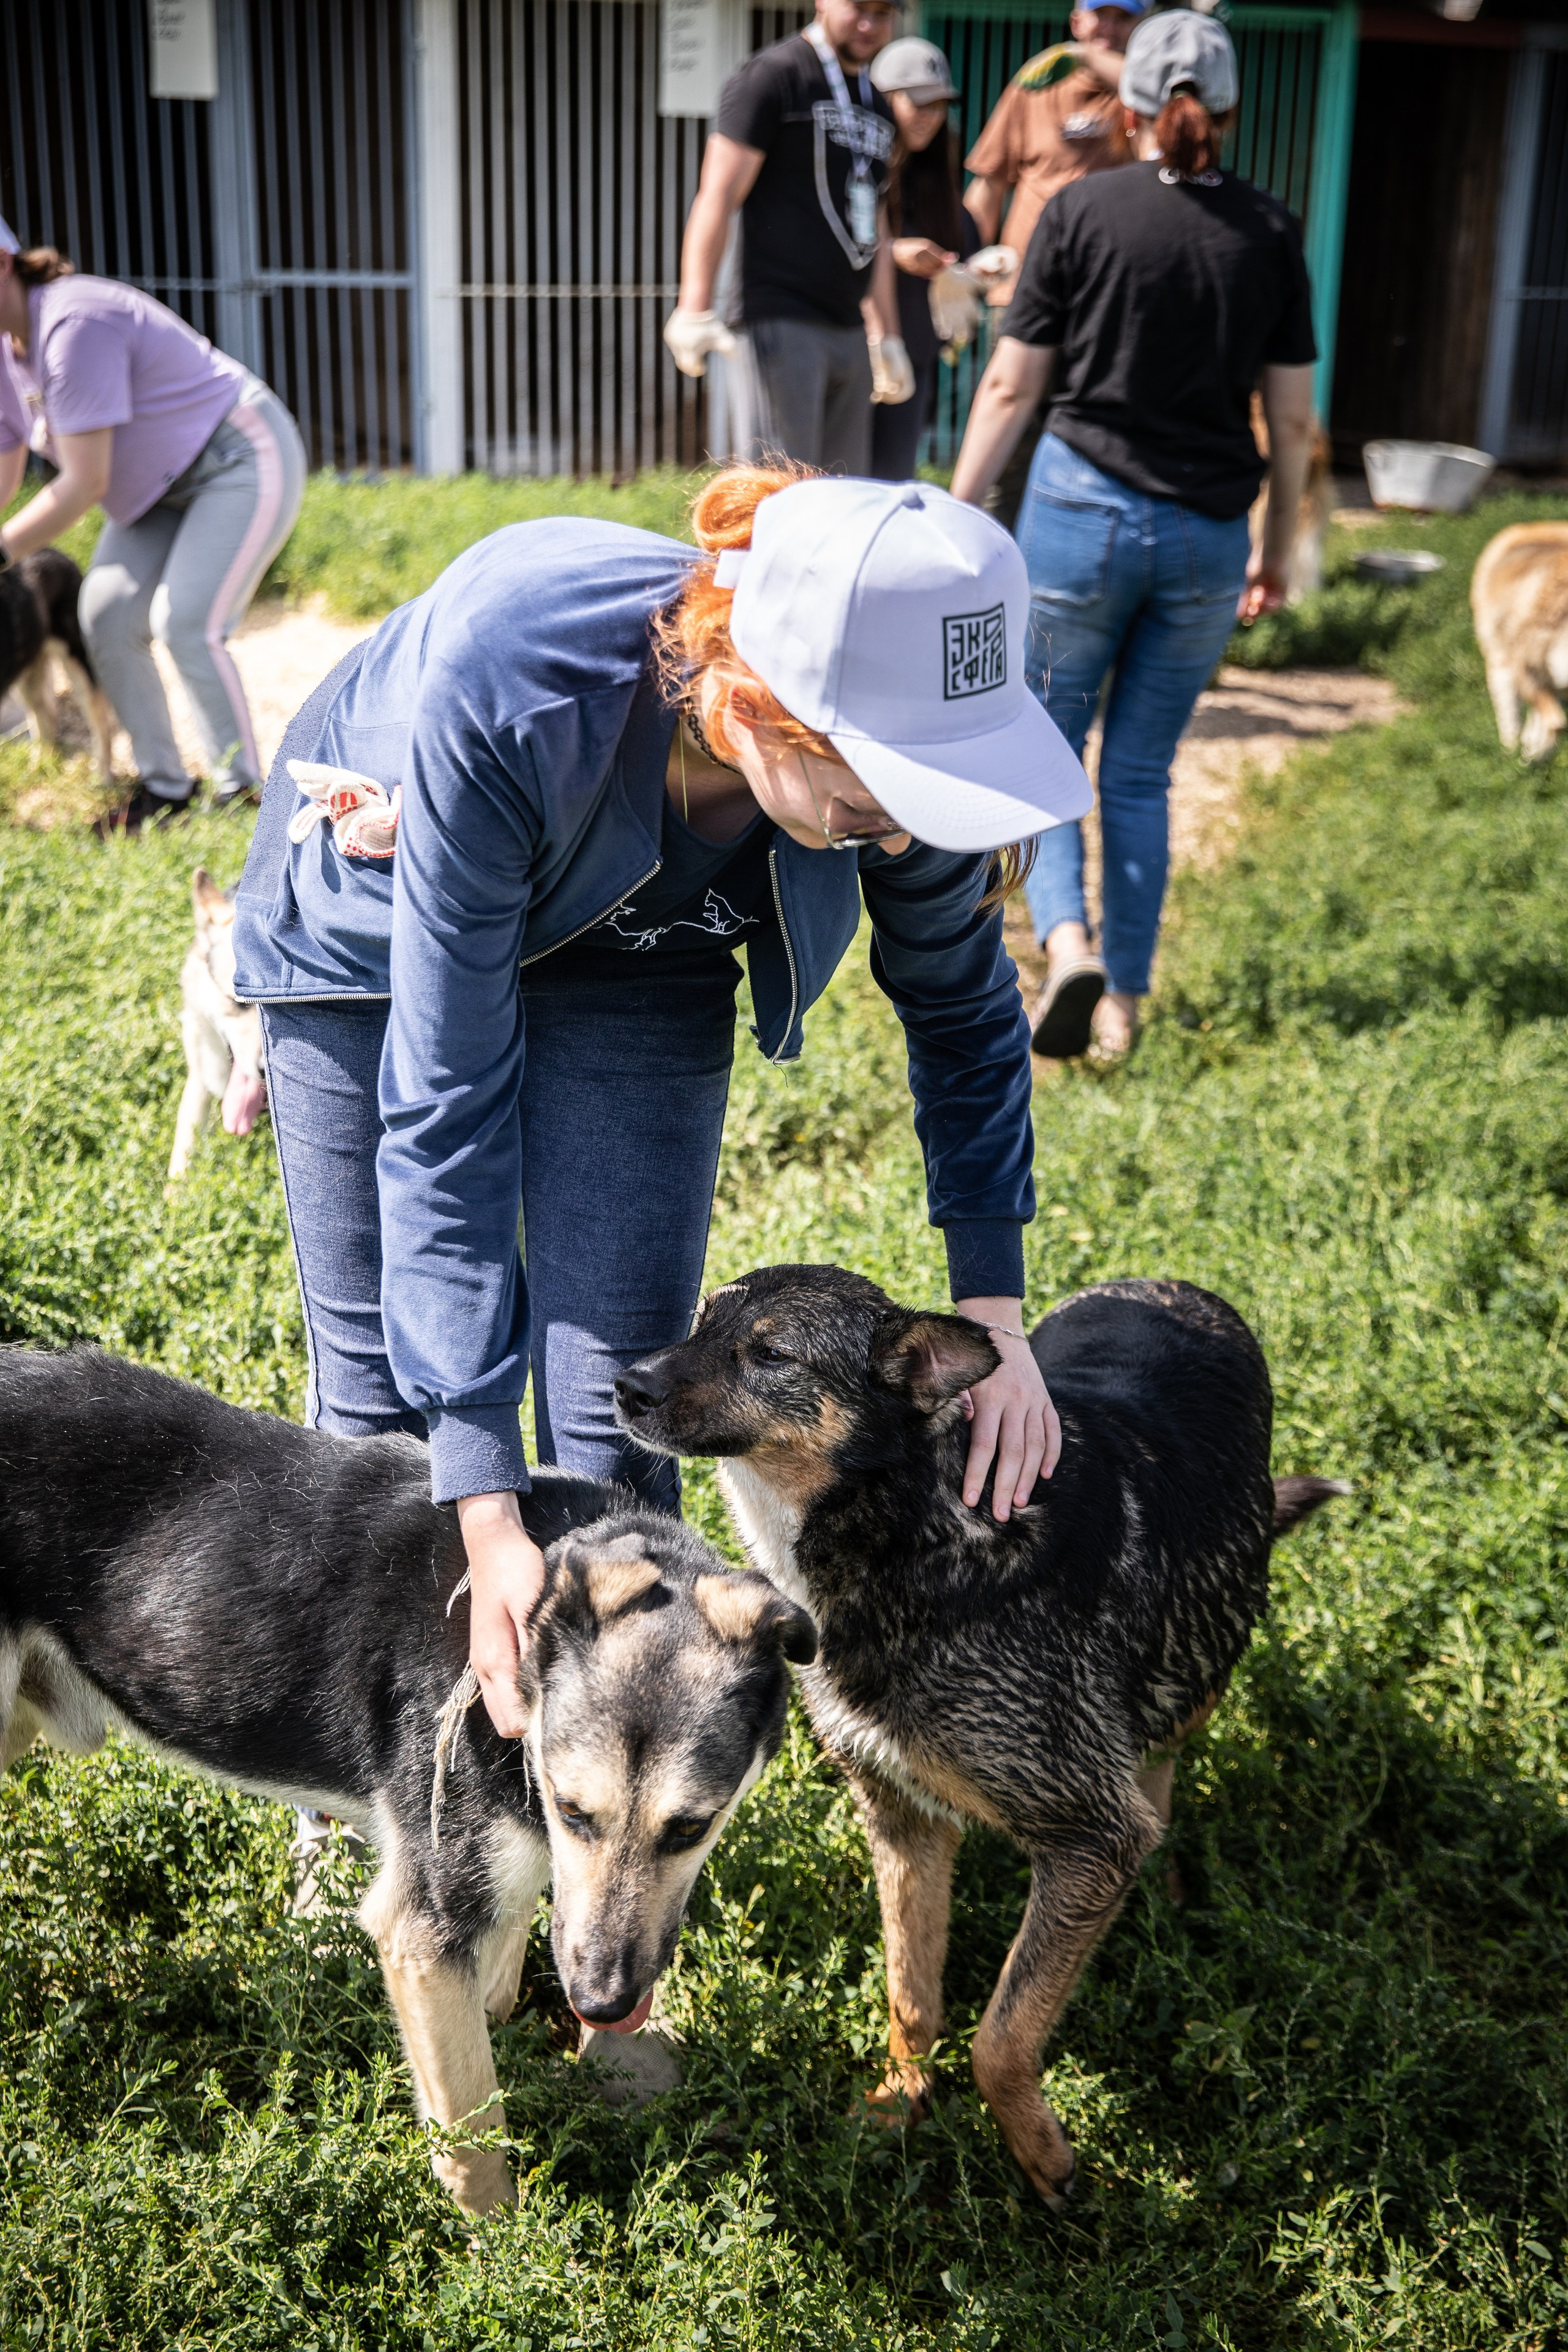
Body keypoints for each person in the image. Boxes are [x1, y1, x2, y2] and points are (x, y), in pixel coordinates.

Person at [231, 466, 1092, 1742]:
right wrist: (479, 1500)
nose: (907, 820)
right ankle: (376, 1795)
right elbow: (445, 1098)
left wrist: (993, 1319)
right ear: (758, 703)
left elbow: (965, 1019)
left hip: (645, 955)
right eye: (880, 779)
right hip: (383, 932)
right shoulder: (522, 677)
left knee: (621, 1411)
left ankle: (600, 1783)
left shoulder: (896, 798)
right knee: (387, 1415)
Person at [951, 10, 1316, 1063]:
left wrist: (964, 507)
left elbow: (1015, 381)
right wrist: (1277, 543)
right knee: (1145, 771)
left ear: (1131, 108)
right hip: (1208, 533)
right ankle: (1125, 1009)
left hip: (1077, 513)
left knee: (1049, 747)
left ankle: (1067, 946)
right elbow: (1291, 417)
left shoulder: (1079, 211)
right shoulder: (1272, 232)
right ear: (1230, 111)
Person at [0, 219, 306, 832]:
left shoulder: (71, 323)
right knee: (106, 614)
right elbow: (9, 451)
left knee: (186, 622)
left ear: (4, 264)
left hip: (236, 458)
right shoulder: (11, 348)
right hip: (154, 494)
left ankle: (242, 796)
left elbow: (83, 483)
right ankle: (165, 788)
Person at [663, 0, 914, 470]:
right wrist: (694, 306)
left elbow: (876, 222)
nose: (869, 24)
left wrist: (888, 336)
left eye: (883, 13)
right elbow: (718, 192)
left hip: (850, 327)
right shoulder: (773, 76)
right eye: (859, 7)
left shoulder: (876, 101)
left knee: (843, 499)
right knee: (777, 494)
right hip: (782, 318)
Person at [962, 4, 1140, 527]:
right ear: (1075, 17)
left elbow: (1169, 99)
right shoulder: (1034, 85)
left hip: (1106, 299)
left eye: (1122, 19)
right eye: (1098, 16)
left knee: (1092, 436)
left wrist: (1085, 56)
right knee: (1010, 432)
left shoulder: (1139, 99)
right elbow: (990, 180)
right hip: (1024, 291)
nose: (1108, 29)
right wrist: (968, 267)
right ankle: (992, 549)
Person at [867, 36, 995, 483]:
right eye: (918, 103)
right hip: (858, 348)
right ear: (883, 100)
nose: (930, 117)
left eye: (939, 106)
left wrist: (974, 269)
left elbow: (960, 240)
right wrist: (891, 252)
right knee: (833, 483)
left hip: (915, 352)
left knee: (889, 483)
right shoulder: (857, 164)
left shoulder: (938, 168)